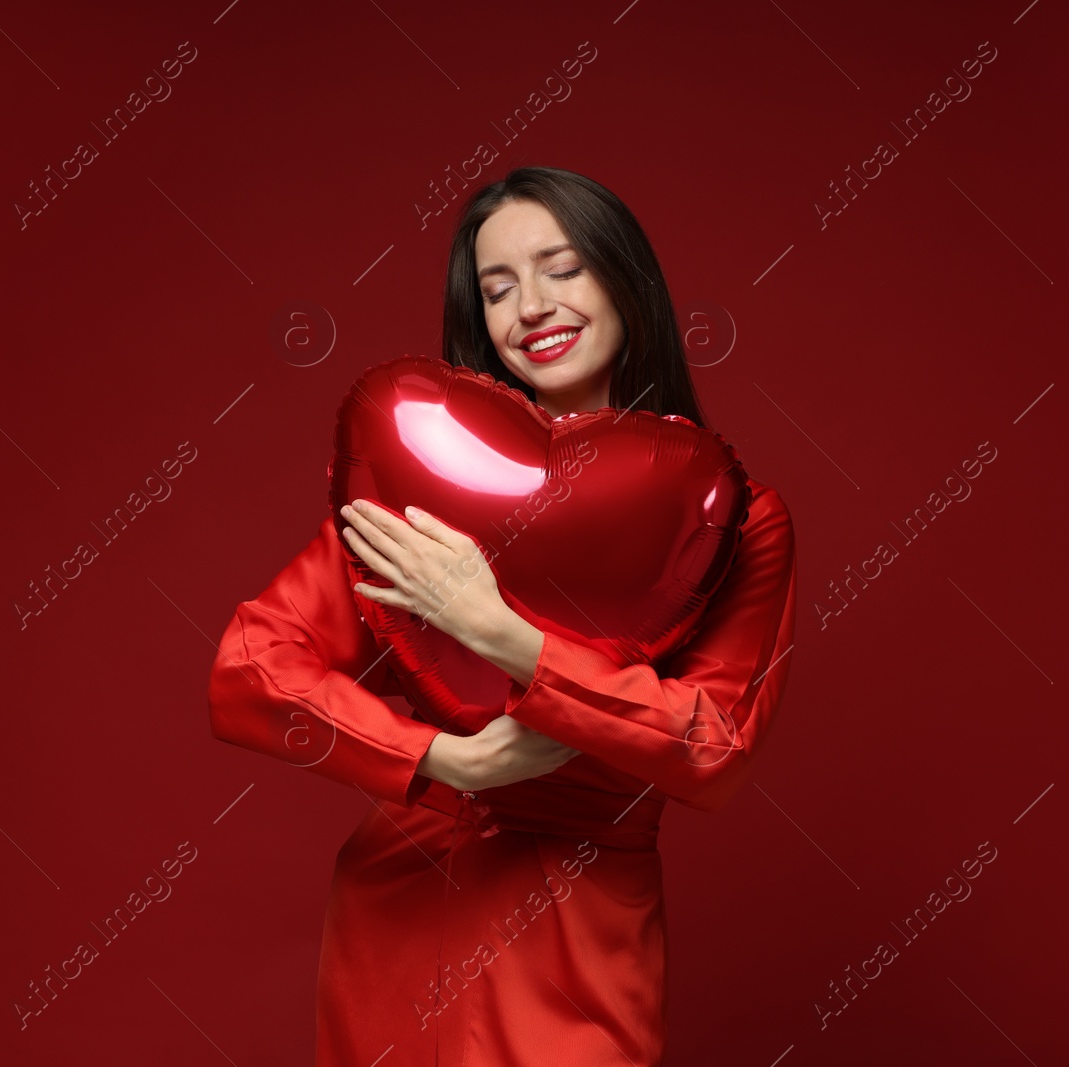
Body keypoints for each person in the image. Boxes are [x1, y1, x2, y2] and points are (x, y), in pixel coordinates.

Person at [207, 166, 797, 1065]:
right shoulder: (419, 483)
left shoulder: (734, 516)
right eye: (497, 287)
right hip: (402, 901)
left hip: (581, 922)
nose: (531, 307)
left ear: (624, 276)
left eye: (562, 268)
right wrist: (448, 758)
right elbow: (251, 666)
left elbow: (714, 749)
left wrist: (502, 634)